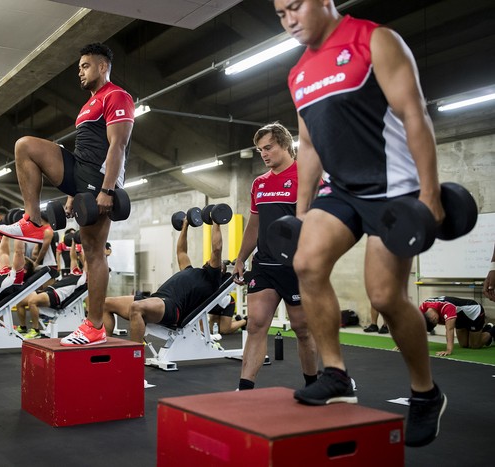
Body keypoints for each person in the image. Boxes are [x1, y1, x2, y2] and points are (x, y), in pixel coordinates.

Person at [274, 0, 446, 447]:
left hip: (395, 187)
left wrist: (429, 195)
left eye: (295, 7)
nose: (290, 19)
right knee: (307, 262)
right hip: (342, 189)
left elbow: (414, 113)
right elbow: (309, 146)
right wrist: (302, 212)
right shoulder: (298, 74)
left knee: (385, 296)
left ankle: (426, 394)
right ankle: (336, 375)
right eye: (280, 13)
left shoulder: (374, 40)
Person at [0, 42, 135, 347]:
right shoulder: (88, 103)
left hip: (99, 178)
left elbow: (118, 147)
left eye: (85, 66)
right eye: (79, 68)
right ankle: (32, 220)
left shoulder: (116, 96)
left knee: (94, 252)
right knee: (25, 146)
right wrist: (72, 192)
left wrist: (107, 190)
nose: (80, 73)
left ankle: (95, 326)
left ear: (102, 66)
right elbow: (83, 149)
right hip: (80, 171)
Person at [232, 123, 318, 391]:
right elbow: (254, 224)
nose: (264, 154)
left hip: (296, 267)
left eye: (268, 147)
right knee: (256, 324)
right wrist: (240, 258)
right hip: (265, 265)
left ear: (285, 144)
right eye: (260, 150)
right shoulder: (259, 183)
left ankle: (313, 384)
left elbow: (321, 221)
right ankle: (245, 389)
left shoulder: (306, 176)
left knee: (302, 329)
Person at [103, 218, 225, 344]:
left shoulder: (212, 279)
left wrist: (216, 222)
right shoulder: (190, 270)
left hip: (173, 307)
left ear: (219, 271)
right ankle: (105, 349)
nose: (212, 260)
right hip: (156, 299)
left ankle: (135, 357)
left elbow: (217, 249)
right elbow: (181, 251)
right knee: (106, 303)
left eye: (219, 263)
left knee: (136, 307)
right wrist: (185, 226)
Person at [17, 236, 85, 339]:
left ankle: (36, 330)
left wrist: (85, 244)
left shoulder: (85, 277)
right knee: (20, 302)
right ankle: (22, 327)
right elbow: (73, 256)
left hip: (57, 296)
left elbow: (88, 260)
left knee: (32, 302)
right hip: (50, 290)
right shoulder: (75, 271)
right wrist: (74, 241)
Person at [420, 296, 494, 356]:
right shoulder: (423, 307)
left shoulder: (447, 307)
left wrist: (449, 350)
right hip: (459, 317)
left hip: (474, 313)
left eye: (436, 323)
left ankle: (492, 330)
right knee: (464, 344)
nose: (438, 323)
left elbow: (450, 329)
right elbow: (416, 326)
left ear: (434, 318)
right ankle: (484, 330)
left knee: (475, 345)